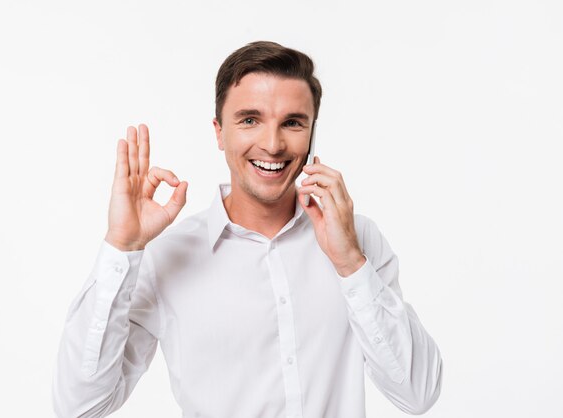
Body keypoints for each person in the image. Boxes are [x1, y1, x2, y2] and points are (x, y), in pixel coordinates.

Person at [52, 41, 443, 418]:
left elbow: (418, 393)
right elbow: (81, 406)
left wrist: (350, 263)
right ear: (219, 132)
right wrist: (122, 246)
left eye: (292, 123)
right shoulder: (167, 257)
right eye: (250, 120)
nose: (272, 145)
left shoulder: (358, 239)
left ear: (311, 134)